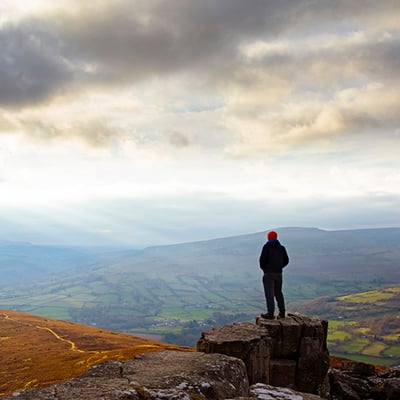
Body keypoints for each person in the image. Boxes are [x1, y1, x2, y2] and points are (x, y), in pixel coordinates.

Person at [259, 230, 289, 319]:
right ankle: (282, 312)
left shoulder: (266, 247)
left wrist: (265, 270)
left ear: (268, 237)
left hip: (268, 274)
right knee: (278, 293)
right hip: (279, 274)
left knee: (269, 294)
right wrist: (279, 267)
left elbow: (262, 261)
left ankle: (270, 313)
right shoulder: (281, 248)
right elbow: (286, 261)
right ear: (276, 237)